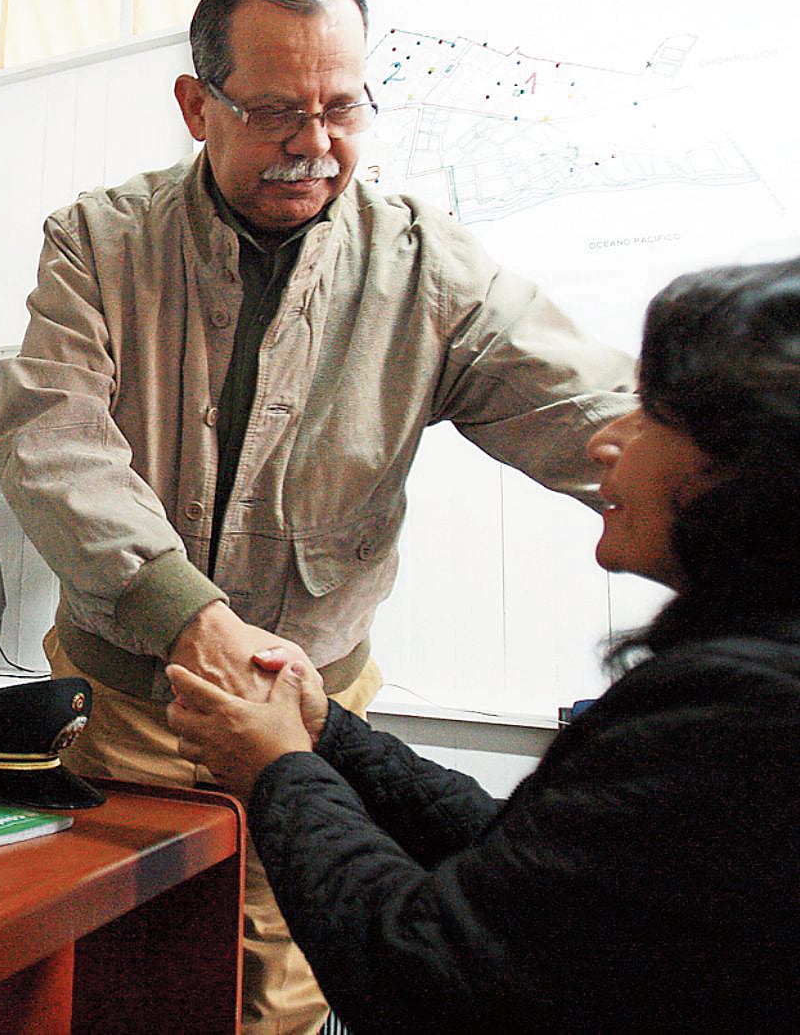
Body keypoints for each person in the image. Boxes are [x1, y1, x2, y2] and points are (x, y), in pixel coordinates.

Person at [0, 0, 636, 1033]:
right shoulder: (99, 242)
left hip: (313, 716)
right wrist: (183, 617)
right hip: (125, 705)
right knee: (112, 974)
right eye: (277, 112)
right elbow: (54, 440)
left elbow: (592, 413)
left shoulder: (430, 269)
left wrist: (729, 478)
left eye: (343, 109)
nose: (316, 145)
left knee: (270, 996)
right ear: (198, 106)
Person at [165, 257, 800, 1033]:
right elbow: (526, 867)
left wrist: (277, 769)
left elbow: (423, 968)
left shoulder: (744, 716)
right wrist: (330, 734)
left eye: (650, 412)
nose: (605, 440)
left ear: (750, 468)